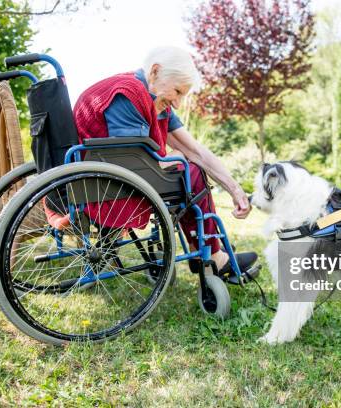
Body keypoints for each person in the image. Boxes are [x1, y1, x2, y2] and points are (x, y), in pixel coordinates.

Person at [73, 46, 257, 277]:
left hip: (106, 179)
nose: (179, 103)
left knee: (190, 164)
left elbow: (195, 150)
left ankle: (206, 252)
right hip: (107, 187)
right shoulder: (128, 94)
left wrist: (235, 189)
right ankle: (211, 257)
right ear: (155, 71)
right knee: (190, 172)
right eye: (178, 92)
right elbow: (133, 165)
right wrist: (178, 157)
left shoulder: (154, 98)